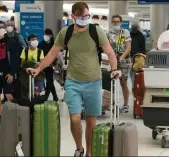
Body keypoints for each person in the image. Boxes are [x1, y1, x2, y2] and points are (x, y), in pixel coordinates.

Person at [27, 2, 119, 157]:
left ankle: (89, 151)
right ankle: (79, 148)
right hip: (73, 81)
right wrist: (39, 68)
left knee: (91, 121)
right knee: (75, 118)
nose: (85, 19)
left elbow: (110, 53)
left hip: (94, 82)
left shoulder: (96, 31)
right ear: (73, 17)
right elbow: (51, 54)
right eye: (82, 16)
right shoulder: (66, 32)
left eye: (87, 16)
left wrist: (115, 69)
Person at [108, 14, 132, 113]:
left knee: (123, 83)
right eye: (114, 21)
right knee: (111, 82)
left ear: (121, 23)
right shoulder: (109, 33)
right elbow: (108, 47)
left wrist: (121, 57)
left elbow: (128, 48)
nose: (116, 23)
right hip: (113, 59)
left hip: (124, 60)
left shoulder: (125, 32)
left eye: (118, 21)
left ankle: (126, 104)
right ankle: (111, 103)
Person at [1, 20, 28, 103]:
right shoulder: (3, 36)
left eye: (11, 25)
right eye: (8, 25)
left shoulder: (18, 36)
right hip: (5, 61)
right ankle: (6, 97)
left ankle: (17, 97)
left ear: (14, 26)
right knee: (5, 79)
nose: (9, 26)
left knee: (16, 80)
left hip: (15, 61)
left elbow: (24, 47)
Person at [38, 28, 58, 101]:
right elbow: (38, 54)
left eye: (47, 34)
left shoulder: (54, 44)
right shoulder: (41, 44)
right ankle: (55, 96)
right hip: (43, 65)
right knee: (50, 82)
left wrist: (53, 64)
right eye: (44, 34)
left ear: (51, 36)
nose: (45, 36)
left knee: (49, 81)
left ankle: (46, 96)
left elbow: (56, 55)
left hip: (50, 66)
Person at [129, 23, 145, 90]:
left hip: (131, 55)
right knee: (137, 71)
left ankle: (134, 86)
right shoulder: (141, 35)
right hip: (137, 56)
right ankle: (136, 85)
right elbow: (143, 47)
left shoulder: (129, 34)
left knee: (132, 71)